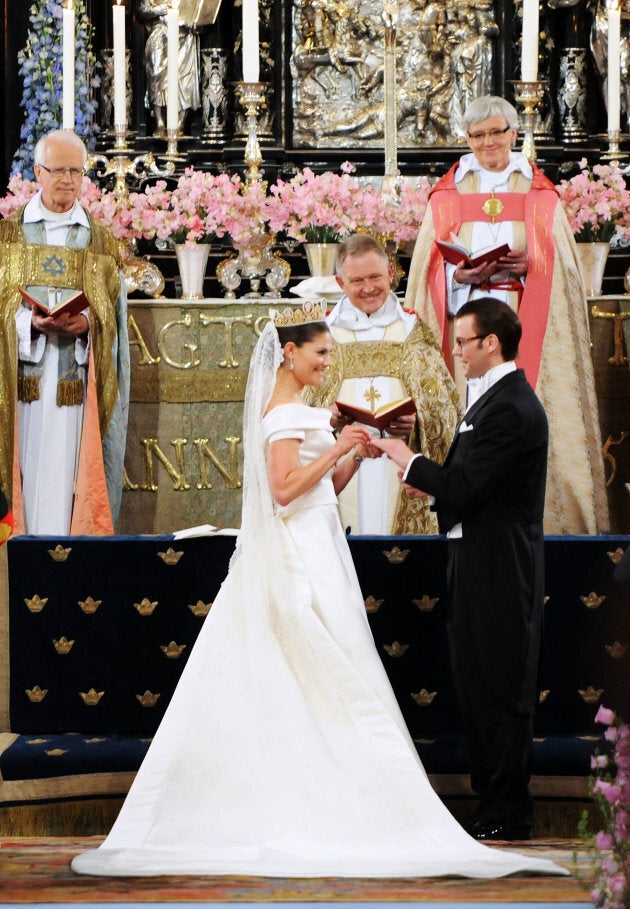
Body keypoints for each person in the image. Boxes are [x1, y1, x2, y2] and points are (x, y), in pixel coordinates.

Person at [71, 301, 565, 878]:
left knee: (338, 665)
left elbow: (324, 490)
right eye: (323, 352)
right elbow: (283, 493)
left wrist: (356, 451)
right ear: (290, 353)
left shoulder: (307, 411)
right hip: (296, 552)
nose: (331, 362)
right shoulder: (283, 416)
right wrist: (340, 445)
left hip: (326, 542)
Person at [374, 297, 548, 842]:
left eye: (463, 342)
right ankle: (491, 805)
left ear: (490, 342)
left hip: (499, 565)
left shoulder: (510, 406)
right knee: (478, 682)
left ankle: (508, 811)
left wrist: (408, 460)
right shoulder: (490, 402)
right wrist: (426, 474)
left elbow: (470, 486)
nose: (457, 352)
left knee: (500, 685)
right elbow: (467, 480)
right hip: (475, 559)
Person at [405, 94, 608, 535]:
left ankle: (548, 522)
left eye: (497, 132)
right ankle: (458, 506)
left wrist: (532, 265)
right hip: (466, 329)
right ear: (468, 139)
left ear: (514, 134)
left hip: (520, 327)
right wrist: (459, 274)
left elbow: (565, 274)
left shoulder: (539, 194)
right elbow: (426, 273)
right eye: (478, 135)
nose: (488, 142)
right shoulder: (448, 194)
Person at [0, 130, 129, 535]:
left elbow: (115, 314)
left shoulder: (100, 240)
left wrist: (88, 324)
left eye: (76, 170)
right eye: (58, 170)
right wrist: (27, 324)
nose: (68, 180)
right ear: (38, 172)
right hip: (23, 386)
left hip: (76, 387)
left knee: (71, 473)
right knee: (28, 470)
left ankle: (70, 570)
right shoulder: (9, 236)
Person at [308, 234, 460, 534]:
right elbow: (297, 407)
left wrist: (415, 423)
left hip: (398, 464)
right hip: (344, 461)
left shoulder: (413, 330)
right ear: (341, 284)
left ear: (390, 272)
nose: (368, 288)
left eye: (376, 277)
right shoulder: (321, 335)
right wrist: (327, 418)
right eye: (357, 280)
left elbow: (445, 408)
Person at [549, 0, 630, 130]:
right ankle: (612, 123)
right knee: (607, 74)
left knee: (626, 71)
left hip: (624, 32)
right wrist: (559, 3)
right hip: (604, 31)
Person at [138, 0, 201, 135]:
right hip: (159, 31)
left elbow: (195, 10)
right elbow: (142, 10)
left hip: (182, 33)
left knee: (183, 75)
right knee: (157, 71)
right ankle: (159, 122)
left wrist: (192, 23)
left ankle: (180, 122)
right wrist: (156, 10)